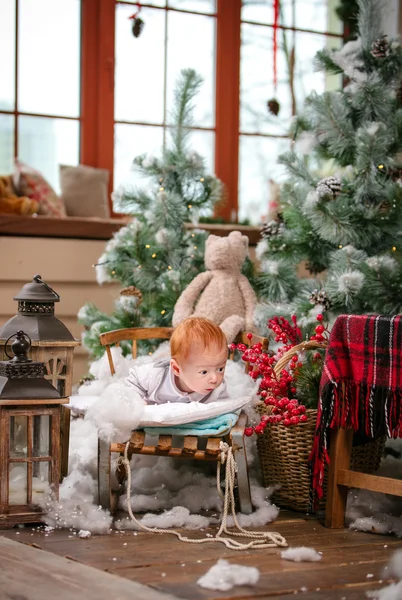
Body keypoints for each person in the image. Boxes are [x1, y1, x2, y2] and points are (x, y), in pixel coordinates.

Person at [125, 317, 230, 405]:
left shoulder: (218, 389)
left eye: (220, 369)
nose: (215, 378)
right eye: (204, 372)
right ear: (176, 369)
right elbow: (134, 379)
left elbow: (224, 409)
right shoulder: (157, 375)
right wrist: (136, 402)